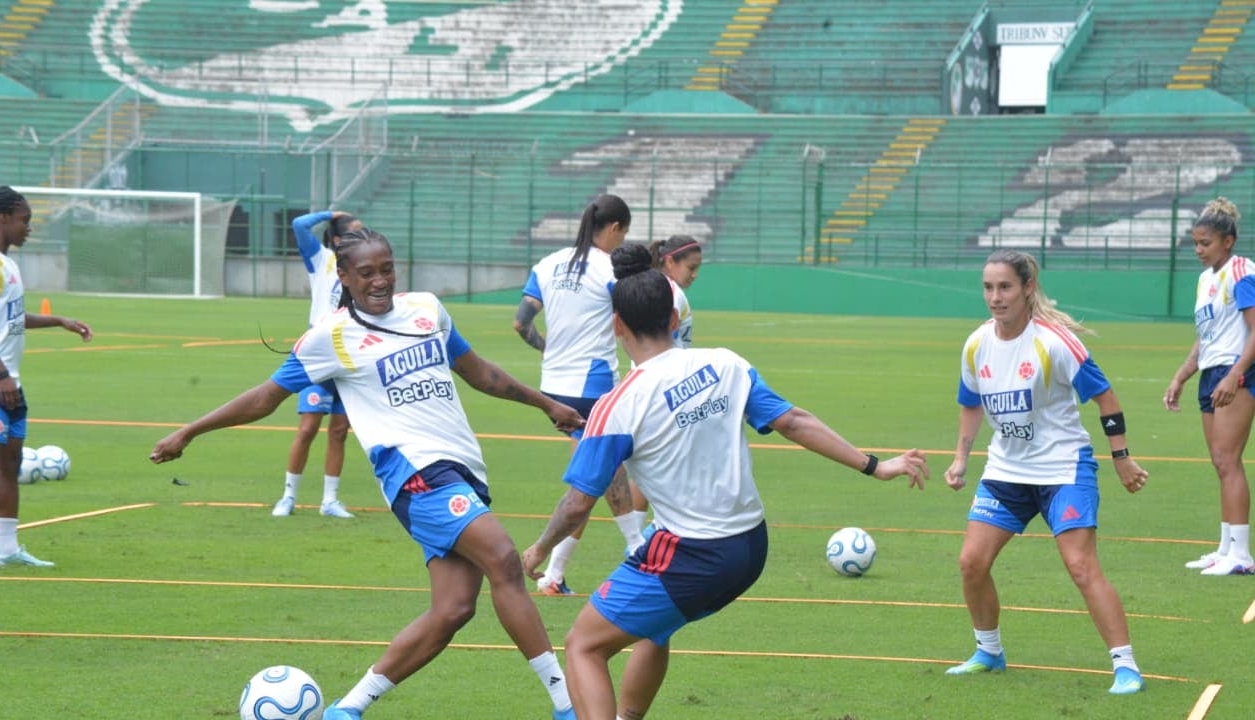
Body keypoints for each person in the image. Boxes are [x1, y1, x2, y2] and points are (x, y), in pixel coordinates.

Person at [150, 228, 583, 720]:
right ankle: (568, 705)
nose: (380, 280)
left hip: (461, 467)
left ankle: (347, 709)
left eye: (387, 268)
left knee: (453, 610)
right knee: (504, 559)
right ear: (345, 276)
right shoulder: (329, 337)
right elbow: (264, 398)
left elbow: (480, 372)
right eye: (367, 272)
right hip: (414, 474)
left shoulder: (427, 309)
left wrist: (547, 404)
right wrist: (190, 431)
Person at [521, 244, 928, 720]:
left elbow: (577, 504)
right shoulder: (725, 364)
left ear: (616, 326)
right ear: (675, 319)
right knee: (656, 625)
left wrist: (538, 550)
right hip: (750, 547)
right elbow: (794, 421)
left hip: (693, 555)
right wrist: (876, 465)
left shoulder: (618, 405)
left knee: (583, 645)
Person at [944, 249, 1149, 695]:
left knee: (1080, 567)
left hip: (1063, 470)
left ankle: (1125, 666)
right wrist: (962, 457)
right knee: (971, 563)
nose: (995, 297)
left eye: (1005, 287)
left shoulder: (1054, 342)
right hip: (1006, 471)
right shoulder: (976, 343)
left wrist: (1122, 458)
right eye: (987, 287)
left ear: (1027, 289)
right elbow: (970, 402)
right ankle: (989, 652)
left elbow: (1107, 398)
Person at [513, 194, 642, 594]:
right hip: (593, 384)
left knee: (593, 471)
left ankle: (555, 574)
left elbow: (521, 323)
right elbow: (629, 320)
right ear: (616, 228)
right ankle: (639, 547)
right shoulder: (610, 269)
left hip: (553, 389)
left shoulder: (548, 264)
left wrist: (549, 349)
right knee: (614, 466)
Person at [0, 185, 93, 567]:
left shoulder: (8, 264)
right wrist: (0, 372)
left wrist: (59, 320)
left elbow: (8, 319)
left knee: (10, 461)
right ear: (3, 217)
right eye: (25, 220)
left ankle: (7, 550)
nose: (29, 227)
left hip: (10, 379)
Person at [1164, 197, 1255, 575]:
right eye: (1196, 243)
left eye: (1206, 243)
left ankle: (1242, 555)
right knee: (1220, 463)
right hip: (1211, 374)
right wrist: (1181, 375)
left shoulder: (1241, 271)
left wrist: (1236, 374)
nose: (1199, 250)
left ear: (1227, 241)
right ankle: (1225, 548)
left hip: (1236, 372)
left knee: (1228, 460)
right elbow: (1206, 336)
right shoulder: (1205, 280)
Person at [271, 209, 361, 520]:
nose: (360, 238)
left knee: (339, 432)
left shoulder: (362, 266)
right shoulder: (322, 259)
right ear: (337, 239)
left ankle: (330, 500)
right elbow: (298, 224)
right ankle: (288, 495)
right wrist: (330, 213)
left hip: (350, 357)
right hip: (319, 355)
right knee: (308, 427)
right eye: (353, 232)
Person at [622, 235, 706, 551]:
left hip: (657, 386)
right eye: (691, 267)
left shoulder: (666, 291)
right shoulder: (668, 294)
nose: (695, 274)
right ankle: (643, 537)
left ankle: (642, 536)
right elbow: (662, 350)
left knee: (648, 467)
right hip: (664, 390)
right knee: (662, 465)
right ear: (670, 261)